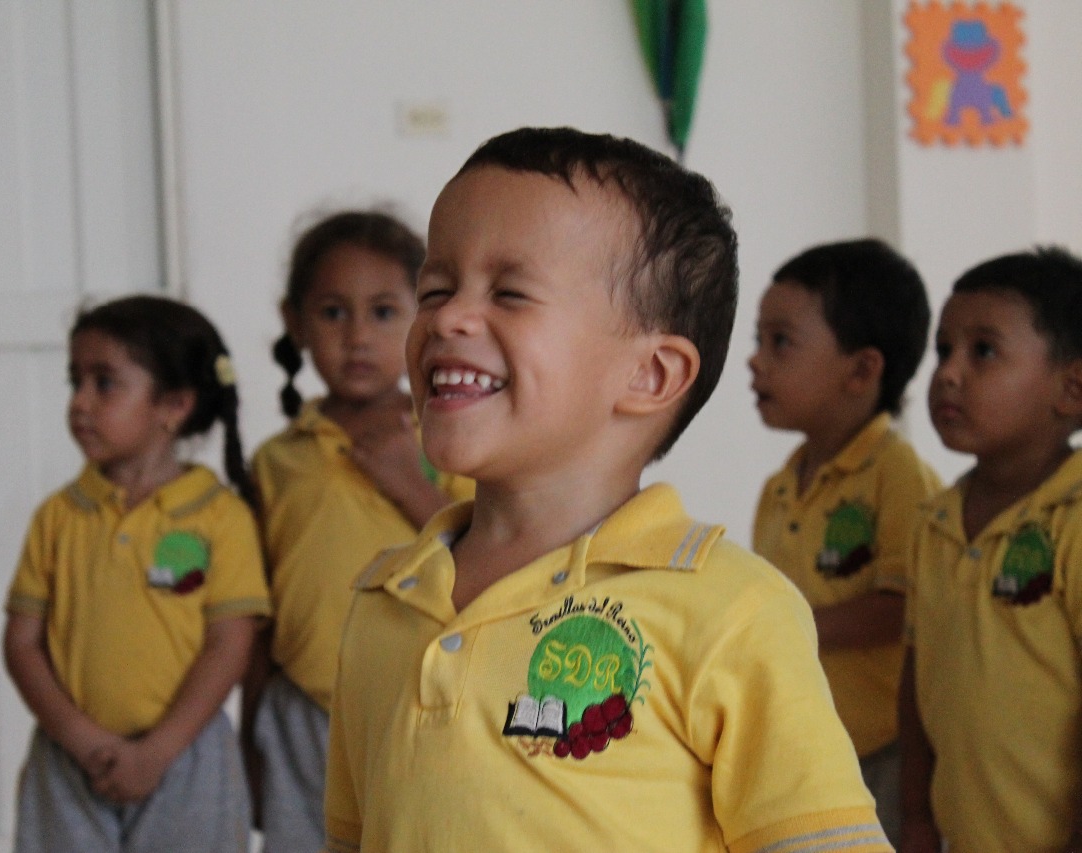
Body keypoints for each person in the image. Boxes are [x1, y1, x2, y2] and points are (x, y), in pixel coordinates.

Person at [323, 127, 891, 852]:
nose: (448, 318)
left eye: (510, 293)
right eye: (435, 289)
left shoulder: (733, 610)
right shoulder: (385, 601)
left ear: (649, 375)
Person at [3, 295, 269, 853]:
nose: (79, 402)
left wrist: (156, 752)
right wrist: (81, 740)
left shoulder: (220, 518)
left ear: (173, 405)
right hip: (69, 759)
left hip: (187, 758)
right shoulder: (58, 517)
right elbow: (22, 644)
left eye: (104, 383)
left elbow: (229, 645)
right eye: (75, 381)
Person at [244, 210, 473, 852]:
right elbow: (256, 614)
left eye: (383, 312)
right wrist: (247, 735)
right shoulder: (277, 462)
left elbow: (495, 556)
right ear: (295, 322)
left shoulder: (451, 441)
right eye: (332, 313)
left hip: (421, 705)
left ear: (424, 317)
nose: (357, 337)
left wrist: (409, 483)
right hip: (299, 714)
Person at [748, 239, 940, 842]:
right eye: (759, 339)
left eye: (780, 341)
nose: (755, 361)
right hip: (806, 745)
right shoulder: (779, 488)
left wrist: (787, 623)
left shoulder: (897, 474)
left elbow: (903, 606)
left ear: (861, 371)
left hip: (882, 750)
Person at [899, 247, 1082, 853]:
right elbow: (917, 679)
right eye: (943, 350)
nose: (948, 373)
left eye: (983, 351)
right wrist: (916, 818)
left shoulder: (1073, 517)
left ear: (1072, 388)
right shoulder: (934, 521)